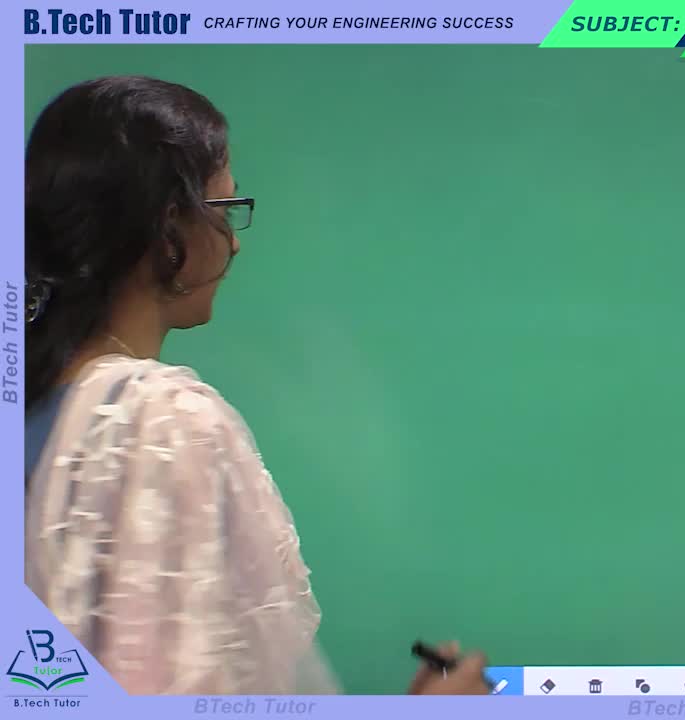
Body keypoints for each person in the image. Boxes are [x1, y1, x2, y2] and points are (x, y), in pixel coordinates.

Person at [23, 76, 490, 695]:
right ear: (169, 228)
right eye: (224, 210)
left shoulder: (33, 410)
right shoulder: (160, 420)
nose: (236, 242)